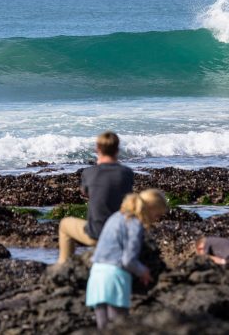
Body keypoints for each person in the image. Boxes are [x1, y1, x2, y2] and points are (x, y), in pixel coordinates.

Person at [85, 189, 168, 330]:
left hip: (96, 276)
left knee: (103, 328)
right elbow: (128, 260)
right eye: (157, 215)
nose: (156, 220)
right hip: (114, 278)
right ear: (150, 208)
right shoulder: (134, 223)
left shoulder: (116, 216)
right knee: (120, 327)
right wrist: (143, 271)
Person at [57, 131, 134, 264]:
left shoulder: (89, 172)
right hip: (119, 233)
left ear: (97, 149)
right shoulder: (127, 173)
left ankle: (64, 265)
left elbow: (85, 193)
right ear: (117, 149)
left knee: (64, 224)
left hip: (96, 234)